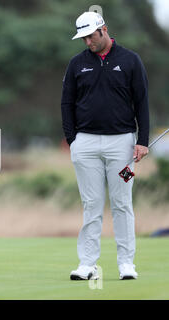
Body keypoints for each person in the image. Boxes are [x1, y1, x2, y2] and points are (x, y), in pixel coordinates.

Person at [61, 12, 150, 280]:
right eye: (84, 38)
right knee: (92, 204)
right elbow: (66, 103)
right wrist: (72, 140)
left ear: (103, 30)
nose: (88, 42)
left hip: (122, 144)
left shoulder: (130, 60)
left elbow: (142, 102)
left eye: (91, 36)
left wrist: (142, 140)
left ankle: (126, 264)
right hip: (85, 144)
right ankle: (87, 264)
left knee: (122, 203)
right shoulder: (77, 64)